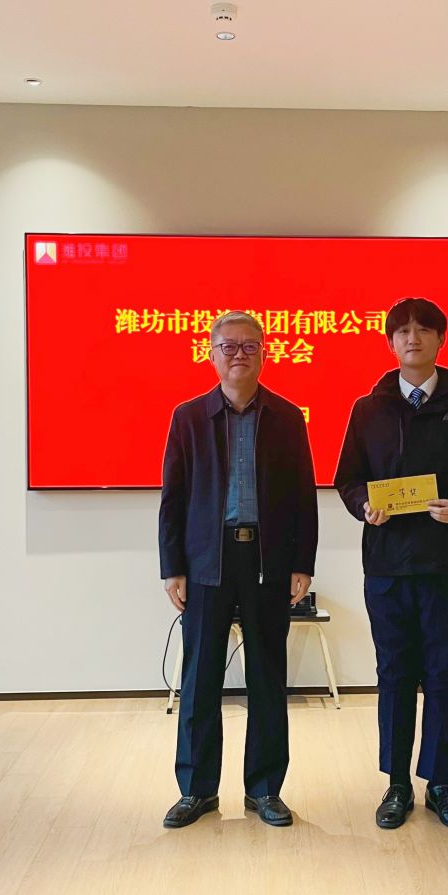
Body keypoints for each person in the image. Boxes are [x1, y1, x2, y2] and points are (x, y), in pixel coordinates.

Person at [334, 297, 448, 830]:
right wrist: (364, 505)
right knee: (394, 674)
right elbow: (348, 478)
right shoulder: (369, 408)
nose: (413, 338)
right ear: (390, 342)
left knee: (444, 673)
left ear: (441, 340)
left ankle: (440, 783)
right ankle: (396, 784)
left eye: (424, 330)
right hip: (387, 566)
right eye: (403, 331)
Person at [159, 310, 318, 828]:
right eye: (228, 346)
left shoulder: (287, 417)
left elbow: (303, 495)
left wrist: (303, 562)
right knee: (200, 677)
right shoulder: (188, 417)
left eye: (250, 345)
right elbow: (173, 498)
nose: (239, 354)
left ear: (264, 353)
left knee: (267, 677)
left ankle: (265, 790)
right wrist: (172, 567)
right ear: (212, 354)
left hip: (268, 561)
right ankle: (197, 790)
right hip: (207, 560)